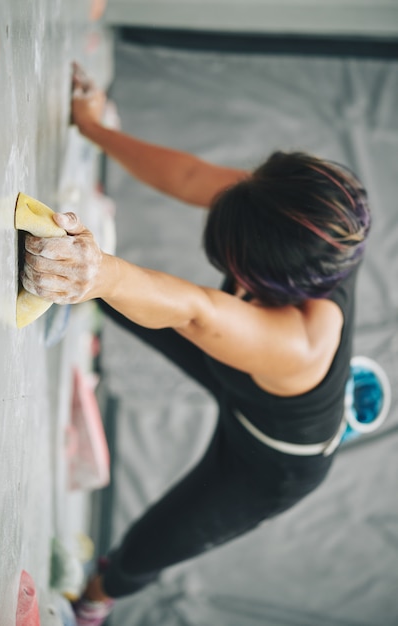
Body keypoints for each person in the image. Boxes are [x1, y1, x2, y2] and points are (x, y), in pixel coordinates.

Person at [21, 65, 371, 625]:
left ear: (268, 286)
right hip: (244, 370)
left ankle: (94, 602)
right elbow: (189, 177)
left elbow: (196, 309)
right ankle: (91, 291)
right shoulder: (318, 217)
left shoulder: (298, 343)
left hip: (268, 461)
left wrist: (98, 271)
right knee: (118, 297)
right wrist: (91, 126)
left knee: (150, 545)